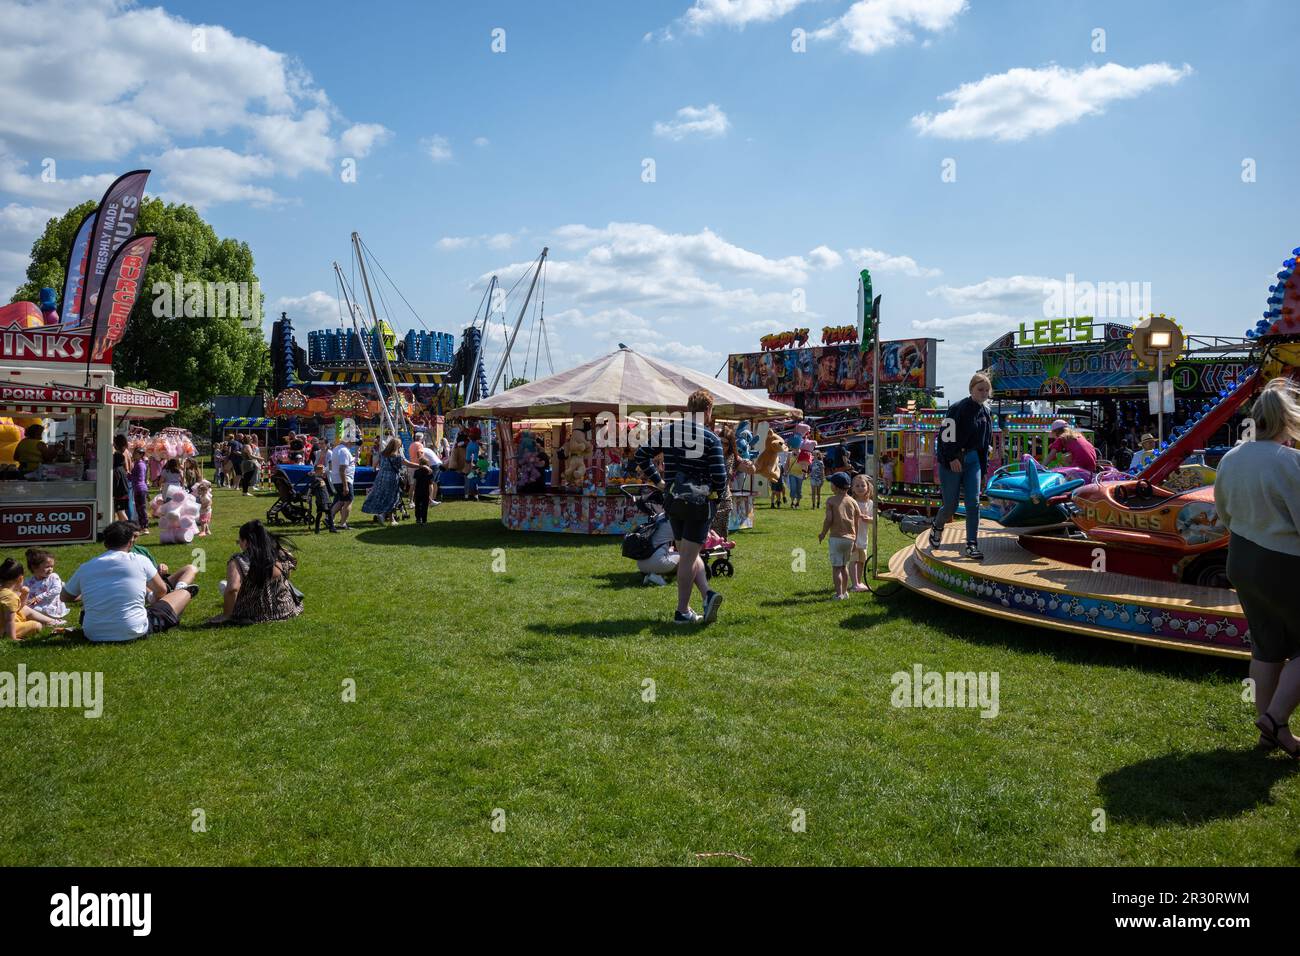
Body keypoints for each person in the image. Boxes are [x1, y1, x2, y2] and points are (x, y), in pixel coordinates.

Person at [1214, 378, 1300, 758]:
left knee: (1266, 647)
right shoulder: (1289, 461)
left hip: (1241, 557)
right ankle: (1276, 720)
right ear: (1288, 419)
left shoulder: (1231, 457)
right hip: (1283, 562)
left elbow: (1223, 512)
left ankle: (1268, 731)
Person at [633, 389, 728, 625]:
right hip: (699, 504)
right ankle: (682, 612)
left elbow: (641, 455)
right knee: (687, 558)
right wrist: (715, 494)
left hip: (673, 501)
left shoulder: (669, 432)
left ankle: (707, 595)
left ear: (687, 409)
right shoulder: (710, 439)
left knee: (687, 552)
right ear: (708, 411)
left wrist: (660, 481)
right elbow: (720, 477)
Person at [62, 521, 198, 642]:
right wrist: (154, 600)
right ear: (131, 542)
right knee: (184, 592)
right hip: (134, 629)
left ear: (105, 543)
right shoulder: (139, 560)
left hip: (92, 633)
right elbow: (161, 590)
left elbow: (65, 596)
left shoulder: (86, 567)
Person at [930, 371, 994, 560]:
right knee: (950, 505)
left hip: (973, 461)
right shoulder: (958, 408)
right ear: (971, 389)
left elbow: (985, 444)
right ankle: (937, 525)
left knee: (973, 503)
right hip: (953, 460)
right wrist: (951, 457)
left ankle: (971, 544)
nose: (983, 393)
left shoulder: (987, 413)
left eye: (986, 390)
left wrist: (983, 470)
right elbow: (945, 436)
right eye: (980, 389)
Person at [207, 520, 303, 626]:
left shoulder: (239, 560)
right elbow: (288, 572)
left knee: (225, 586)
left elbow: (233, 589)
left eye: (239, 540)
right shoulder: (282, 553)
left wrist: (226, 615)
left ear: (246, 541)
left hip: (253, 613)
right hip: (284, 609)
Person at [362, 438, 421, 526]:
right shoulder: (397, 456)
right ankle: (388, 518)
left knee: (381, 496)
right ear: (397, 446)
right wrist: (421, 466)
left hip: (380, 477)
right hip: (391, 478)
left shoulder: (382, 454)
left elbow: (374, 465)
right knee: (392, 498)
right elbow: (408, 464)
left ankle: (384, 515)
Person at [819, 472, 858, 600]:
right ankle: (845, 592)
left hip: (836, 538)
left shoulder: (831, 500)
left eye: (831, 483)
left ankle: (838, 594)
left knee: (836, 568)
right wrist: (855, 539)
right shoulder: (853, 501)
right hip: (850, 539)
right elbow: (856, 522)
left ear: (835, 487)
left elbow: (829, 519)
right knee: (844, 566)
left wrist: (823, 533)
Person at [22, 547, 69, 628]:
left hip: (50, 605)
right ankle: (40, 620)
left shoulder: (53, 577)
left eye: (52, 566)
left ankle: (52, 621)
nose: (50, 569)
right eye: (47, 567)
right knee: (24, 608)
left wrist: (38, 597)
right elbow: (27, 594)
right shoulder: (29, 581)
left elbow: (57, 590)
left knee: (33, 611)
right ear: (34, 567)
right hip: (37, 605)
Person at [0, 558, 44, 640]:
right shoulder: (10, 597)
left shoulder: (3, 591)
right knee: (37, 625)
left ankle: (51, 621)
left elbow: (18, 608)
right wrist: (13, 639)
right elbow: (9, 621)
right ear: (20, 579)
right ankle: (9, 635)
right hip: (4, 629)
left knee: (24, 612)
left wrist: (24, 594)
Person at [636, 505, 679, 586]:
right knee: (687, 558)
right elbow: (683, 547)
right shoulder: (675, 521)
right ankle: (681, 580)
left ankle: (652, 576)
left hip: (641, 563)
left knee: (667, 554)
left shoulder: (658, 516)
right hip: (657, 562)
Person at [849, 473, 875, 593]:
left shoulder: (870, 504)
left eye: (862, 485)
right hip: (852, 537)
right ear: (852, 488)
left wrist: (868, 519)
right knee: (853, 560)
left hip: (863, 537)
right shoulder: (851, 502)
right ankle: (854, 583)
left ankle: (859, 582)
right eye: (857, 485)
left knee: (861, 560)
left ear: (868, 487)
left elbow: (874, 520)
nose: (860, 488)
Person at [329, 436, 356, 529]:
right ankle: (342, 523)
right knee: (348, 501)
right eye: (352, 442)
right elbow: (342, 469)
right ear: (348, 441)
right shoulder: (344, 451)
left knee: (340, 501)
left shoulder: (337, 448)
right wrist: (345, 486)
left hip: (338, 479)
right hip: (344, 480)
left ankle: (329, 519)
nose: (353, 444)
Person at [307, 464, 337, 533]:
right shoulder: (316, 479)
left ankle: (331, 528)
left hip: (326, 499)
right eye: (322, 470)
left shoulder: (321, 478)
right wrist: (308, 496)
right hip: (321, 500)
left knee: (329, 513)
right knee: (320, 514)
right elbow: (311, 488)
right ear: (318, 471)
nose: (324, 471)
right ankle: (317, 529)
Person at [130, 443, 151, 532]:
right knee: (139, 508)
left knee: (142, 508)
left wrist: (128, 475)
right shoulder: (138, 463)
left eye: (136, 453)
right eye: (134, 453)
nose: (134, 454)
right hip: (138, 488)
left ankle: (145, 526)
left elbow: (138, 477)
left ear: (141, 455)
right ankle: (142, 526)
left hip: (140, 488)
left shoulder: (140, 465)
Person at [112, 433, 131, 521]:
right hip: (125, 492)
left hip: (120, 494)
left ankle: (131, 530)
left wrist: (112, 493)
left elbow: (116, 482)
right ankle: (126, 530)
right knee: (121, 513)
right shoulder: (121, 468)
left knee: (121, 513)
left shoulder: (116, 470)